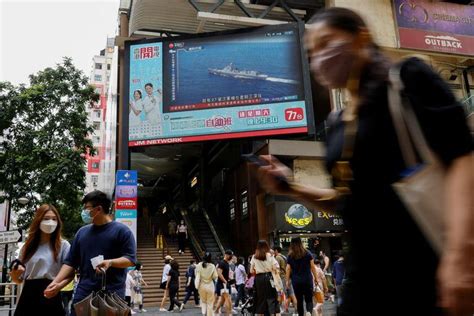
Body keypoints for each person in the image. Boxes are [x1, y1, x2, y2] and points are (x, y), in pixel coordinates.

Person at [256, 7, 473, 316]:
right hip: (365, 284)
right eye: (312, 52)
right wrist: (291, 186)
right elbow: (348, 203)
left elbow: (462, 157)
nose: (319, 58)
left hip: (429, 272)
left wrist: (460, 256)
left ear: (361, 37)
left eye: (327, 42)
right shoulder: (338, 125)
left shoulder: (407, 80)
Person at [44, 190, 136, 316]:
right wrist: (56, 283)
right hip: (83, 294)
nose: (84, 212)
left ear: (98, 209)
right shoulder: (81, 233)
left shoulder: (122, 231)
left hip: (112, 297)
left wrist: (110, 262)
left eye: (86, 208)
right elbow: (70, 262)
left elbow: (130, 259)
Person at [10, 204, 70, 316]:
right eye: (46, 218)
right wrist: (15, 274)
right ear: (38, 220)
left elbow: (70, 273)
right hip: (28, 294)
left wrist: (59, 286)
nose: (50, 222)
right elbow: (18, 279)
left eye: (54, 219)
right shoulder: (27, 247)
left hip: (51, 292)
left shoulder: (63, 245)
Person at [286, 237, 318, 316]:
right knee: (308, 299)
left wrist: (287, 281)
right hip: (307, 279)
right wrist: (316, 278)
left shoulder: (290, 255)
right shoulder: (307, 253)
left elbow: (288, 269)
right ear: (301, 243)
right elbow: (313, 266)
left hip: (296, 281)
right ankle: (309, 312)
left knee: (299, 301)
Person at [250, 240, 281, 316]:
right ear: (266, 246)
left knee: (260, 298)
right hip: (269, 278)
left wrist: (258, 270)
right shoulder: (269, 255)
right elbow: (276, 267)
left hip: (258, 279)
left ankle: (261, 313)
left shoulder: (254, 256)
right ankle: (271, 312)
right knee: (271, 297)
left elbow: (251, 271)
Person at [273, 246, 297, 315]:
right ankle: (296, 311)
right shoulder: (284, 257)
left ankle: (280, 309)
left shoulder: (277, 257)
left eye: (274, 251)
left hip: (282, 278)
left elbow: (276, 269)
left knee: (280, 294)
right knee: (292, 295)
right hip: (288, 277)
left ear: (276, 250)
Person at [214, 249, 234, 315]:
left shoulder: (226, 263)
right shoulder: (222, 263)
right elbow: (219, 273)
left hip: (225, 283)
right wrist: (225, 281)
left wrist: (230, 279)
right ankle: (229, 314)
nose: (231, 257)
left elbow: (225, 274)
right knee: (228, 299)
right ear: (227, 255)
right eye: (231, 255)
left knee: (222, 300)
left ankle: (215, 311)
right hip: (222, 284)